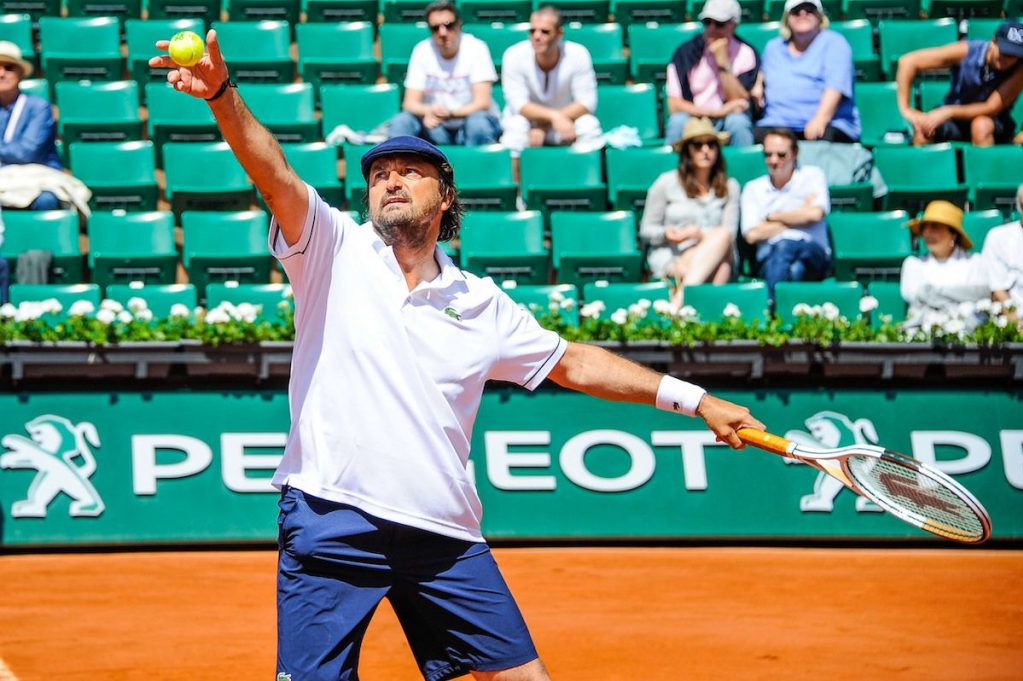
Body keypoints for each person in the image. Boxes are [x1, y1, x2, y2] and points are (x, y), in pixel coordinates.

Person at [150, 30, 764, 681]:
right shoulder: (331, 250)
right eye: (379, 174)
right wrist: (221, 94)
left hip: (442, 532)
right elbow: (271, 172)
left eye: (408, 171)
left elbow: (572, 363)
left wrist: (695, 399)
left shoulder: (481, 301)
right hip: (330, 517)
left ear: (446, 198)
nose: (389, 179)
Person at [640, 117, 738, 307]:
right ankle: (708, 320)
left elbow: (730, 234)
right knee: (720, 263)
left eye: (711, 144)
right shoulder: (665, 183)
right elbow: (646, 230)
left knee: (722, 239)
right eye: (697, 145)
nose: (705, 150)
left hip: (714, 256)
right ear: (687, 151)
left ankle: (677, 304)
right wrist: (666, 234)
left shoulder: (730, 186)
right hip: (674, 257)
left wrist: (700, 235)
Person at [499, 5, 603, 166]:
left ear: (559, 33)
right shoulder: (513, 55)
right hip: (530, 124)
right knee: (515, 128)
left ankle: (584, 184)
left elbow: (587, 102)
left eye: (544, 31)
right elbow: (519, 105)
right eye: (532, 31)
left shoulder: (578, 54)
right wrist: (553, 118)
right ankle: (518, 190)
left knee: (590, 126)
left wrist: (548, 124)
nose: (537, 36)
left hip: (565, 123)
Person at [387, 1, 502, 146]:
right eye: (435, 28)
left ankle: (480, 167)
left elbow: (482, 103)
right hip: (435, 127)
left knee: (477, 123)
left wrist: (449, 113)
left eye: (448, 25)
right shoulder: (422, 50)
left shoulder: (476, 48)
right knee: (401, 121)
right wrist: (430, 111)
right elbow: (409, 103)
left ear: (459, 25)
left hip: (471, 123)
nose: (442, 32)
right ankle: (396, 166)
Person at [896, 20, 1023, 146]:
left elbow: (990, 108)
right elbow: (907, 62)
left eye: (1013, 55)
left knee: (981, 125)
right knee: (924, 129)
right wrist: (906, 109)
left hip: (993, 120)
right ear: (993, 42)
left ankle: (984, 167)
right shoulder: (966, 50)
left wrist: (947, 111)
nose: (1007, 59)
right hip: (954, 119)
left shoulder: (1020, 69)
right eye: (1004, 52)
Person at [740, 127, 831, 300]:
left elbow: (816, 214)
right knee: (795, 269)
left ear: (795, 153)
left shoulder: (813, 175)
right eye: (768, 155)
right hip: (771, 259)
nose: (774, 160)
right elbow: (752, 234)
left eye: (781, 155)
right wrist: (799, 215)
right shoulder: (754, 188)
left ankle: (772, 306)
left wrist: (772, 217)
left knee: (785, 244)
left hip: (813, 253)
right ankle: (788, 313)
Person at [754, 0, 860, 143]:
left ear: (820, 16)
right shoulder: (773, 48)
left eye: (809, 9)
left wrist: (820, 119)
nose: (802, 14)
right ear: (787, 18)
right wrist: (758, 85)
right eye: (796, 11)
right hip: (777, 125)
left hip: (825, 125)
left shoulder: (835, 43)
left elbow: (835, 87)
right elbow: (763, 76)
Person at [664, 0, 762, 147]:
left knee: (739, 122)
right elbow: (674, 105)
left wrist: (723, 65)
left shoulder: (746, 53)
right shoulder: (684, 53)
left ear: (734, 25)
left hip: (728, 119)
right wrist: (715, 113)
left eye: (719, 24)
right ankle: (670, 168)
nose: (711, 29)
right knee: (677, 122)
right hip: (694, 117)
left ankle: (745, 168)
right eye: (707, 22)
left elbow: (740, 103)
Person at [900, 200, 989, 333]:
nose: (928, 233)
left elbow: (982, 295)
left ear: (953, 234)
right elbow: (913, 295)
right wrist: (960, 297)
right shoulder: (912, 264)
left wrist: (933, 293)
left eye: (935, 226)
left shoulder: (975, 262)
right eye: (925, 227)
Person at [0, 41, 63, 210]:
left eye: (9, 68)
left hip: (36, 178)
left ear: (20, 74)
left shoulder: (38, 107)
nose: (1, 73)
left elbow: (25, 153)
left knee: (46, 200)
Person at [981, 182, 1023, 329]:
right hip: (1014, 324)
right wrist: (1018, 325)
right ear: (1019, 206)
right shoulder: (999, 237)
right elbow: (997, 290)